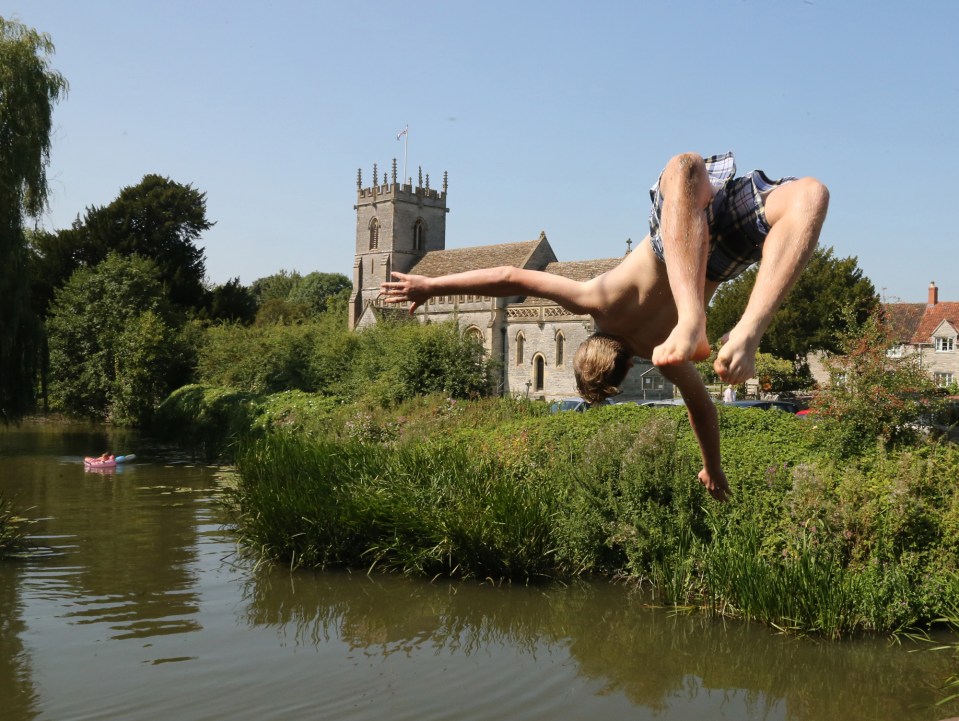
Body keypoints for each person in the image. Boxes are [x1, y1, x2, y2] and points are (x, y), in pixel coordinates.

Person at [381, 151, 829, 501]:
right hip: (675, 241)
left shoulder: (663, 356)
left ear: (626, 367)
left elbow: (703, 410)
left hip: (716, 260)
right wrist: (430, 286)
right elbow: (510, 277)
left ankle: (734, 324)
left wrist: (712, 467)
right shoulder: (596, 303)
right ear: (590, 342)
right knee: (691, 169)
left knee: (811, 196)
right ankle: (734, 323)